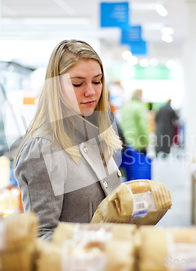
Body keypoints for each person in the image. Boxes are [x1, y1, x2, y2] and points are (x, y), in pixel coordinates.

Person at [14, 40, 123, 240]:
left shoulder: (93, 134)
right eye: (77, 84)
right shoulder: (43, 149)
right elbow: (41, 236)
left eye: (97, 81)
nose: (91, 92)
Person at [120, 89, 149, 155]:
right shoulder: (139, 107)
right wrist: (146, 140)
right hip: (138, 141)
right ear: (140, 95)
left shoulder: (126, 106)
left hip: (126, 140)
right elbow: (142, 125)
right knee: (141, 162)